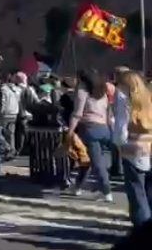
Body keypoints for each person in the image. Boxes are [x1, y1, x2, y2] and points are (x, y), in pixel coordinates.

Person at [68, 69, 114, 202]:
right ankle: (78, 186)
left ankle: (106, 191)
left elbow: (77, 113)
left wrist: (70, 131)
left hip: (89, 128)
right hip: (104, 128)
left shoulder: (83, 90)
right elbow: (108, 111)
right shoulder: (101, 90)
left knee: (95, 162)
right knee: (88, 158)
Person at [114, 70, 152, 226]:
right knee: (150, 192)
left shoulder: (124, 98)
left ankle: (143, 232)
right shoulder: (148, 97)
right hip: (150, 144)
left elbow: (121, 127)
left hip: (132, 148)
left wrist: (118, 144)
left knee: (137, 193)